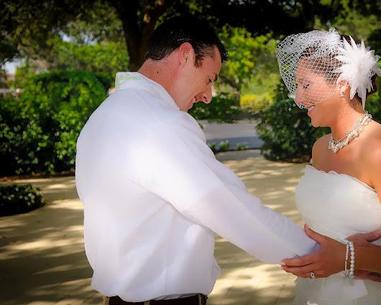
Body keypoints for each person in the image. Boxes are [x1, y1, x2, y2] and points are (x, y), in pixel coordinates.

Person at [75, 15, 322, 305]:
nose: (208, 96)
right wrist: (317, 255)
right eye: (209, 79)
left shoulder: (102, 116)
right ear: (186, 55)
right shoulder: (160, 123)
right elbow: (230, 209)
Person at [276, 29, 381, 304]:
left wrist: (350, 257)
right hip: (310, 294)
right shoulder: (319, 148)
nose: (298, 98)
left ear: (342, 84)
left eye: (306, 85)